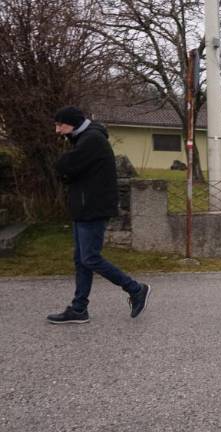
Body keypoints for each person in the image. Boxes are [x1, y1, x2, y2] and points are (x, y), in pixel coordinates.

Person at [47, 106, 151, 324]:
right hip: (83, 206)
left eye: (60, 125)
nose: (57, 130)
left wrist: (66, 173)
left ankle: (135, 289)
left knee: (90, 258)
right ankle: (79, 309)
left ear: (73, 123)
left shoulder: (91, 139)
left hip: (92, 208)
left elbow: (63, 166)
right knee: (81, 260)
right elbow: (70, 171)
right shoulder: (84, 138)